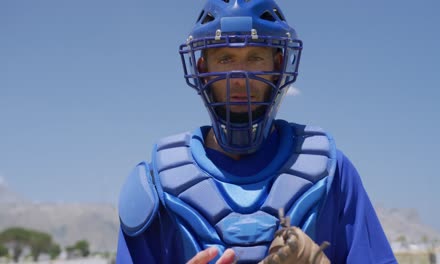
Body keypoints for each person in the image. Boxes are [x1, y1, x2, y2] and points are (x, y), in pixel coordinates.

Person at [116, 0, 397, 263]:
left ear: (277, 67)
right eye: (225, 59)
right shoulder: (158, 184)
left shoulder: (331, 173)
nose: (240, 77)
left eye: (255, 57)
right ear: (202, 70)